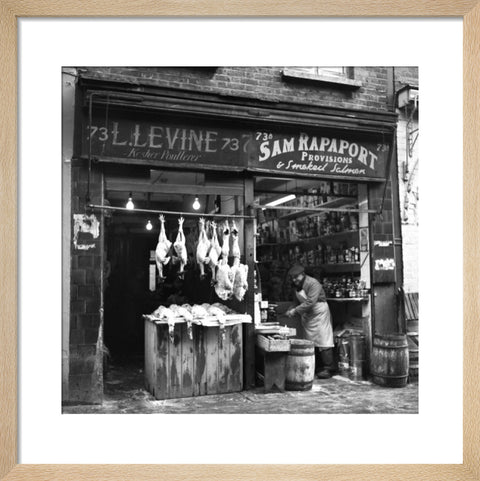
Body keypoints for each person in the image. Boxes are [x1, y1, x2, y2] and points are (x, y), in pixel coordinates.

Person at [286, 264, 335, 379]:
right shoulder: (296, 286)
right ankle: (316, 367)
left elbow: (310, 302)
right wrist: (290, 308)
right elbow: (296, 302)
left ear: (302, 275)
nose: (294, 280)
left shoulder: (313, 283)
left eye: (296, 277)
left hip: (319, 313)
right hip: (308, 316)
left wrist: (295, 311)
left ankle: (328, 368)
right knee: (310, 342)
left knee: (324, 341)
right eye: (292, 278)